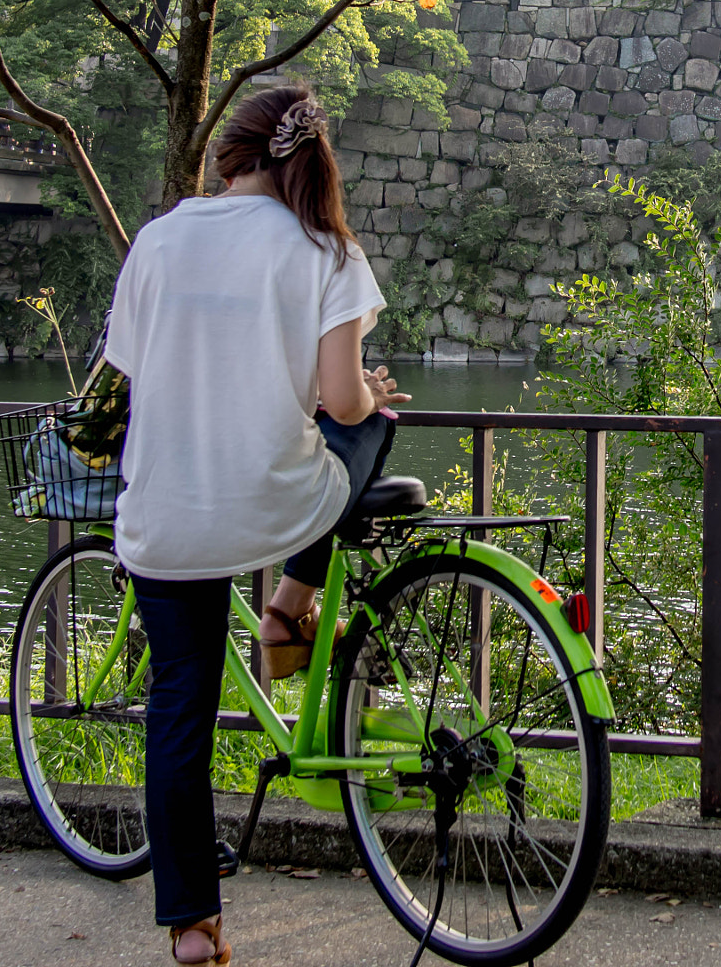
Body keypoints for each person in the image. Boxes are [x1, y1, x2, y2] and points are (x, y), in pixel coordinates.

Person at [103, 84, 408, 967]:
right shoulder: (324, 248)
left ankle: (194, 930)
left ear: (230, 156)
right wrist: (372, 402)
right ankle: (289, 607)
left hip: (167, 514)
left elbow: (132, 367)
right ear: (311, 162)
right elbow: (342, 401)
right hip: (273, 504)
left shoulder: (159, 240)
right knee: (369, 427)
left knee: (180, 706)